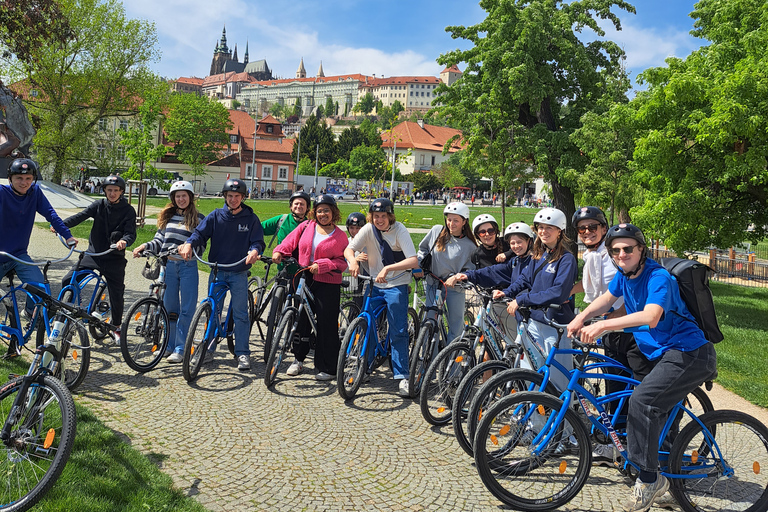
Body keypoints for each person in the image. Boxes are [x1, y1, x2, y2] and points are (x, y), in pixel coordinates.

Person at [568, 224, 717, 512]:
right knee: (661, 420)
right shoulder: (626, 276)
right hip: (662, 354)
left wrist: (601, 325)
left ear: (641, 250)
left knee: (643, 401)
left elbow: (650, 316)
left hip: (689, 353)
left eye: (628, 249)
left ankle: (648, 479)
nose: (622, 254)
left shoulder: (657, 277)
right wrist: (582, 316)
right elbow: (608, 299)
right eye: (616, 250)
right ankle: (673, 484)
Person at [569, 206, 656, 466]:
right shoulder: (596, 256)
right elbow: (601, 293)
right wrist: (580, 314)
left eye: (592, 227)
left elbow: (631, 300)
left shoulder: (615, 257)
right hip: (609, 328)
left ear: (604, 229)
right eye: (582, 229)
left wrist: (610, 320)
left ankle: (648, 450)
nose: (586, 232)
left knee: (637, 390)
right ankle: (616, 442)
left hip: (632, 333)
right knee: (615, 386)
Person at [178, 178, 264, 372]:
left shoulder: (250, 219)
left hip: (238, 272)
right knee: (212, 311)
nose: (233, 199)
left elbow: (257, 241)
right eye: (230, 196)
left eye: (237, 196)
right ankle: (208, 350)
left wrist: (254, 251)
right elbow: (199, 233)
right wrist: (190, 243)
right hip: (217, 271)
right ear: (224, 196)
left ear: (243, 197)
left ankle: (242, 352)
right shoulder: (216, 216)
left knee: (241, 314)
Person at [496, 207, 578, 393]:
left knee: (558, 380)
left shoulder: (566, 259)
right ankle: (535, 421)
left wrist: (523, 299)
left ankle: (563, 421)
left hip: (555, 324)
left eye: (549, 227)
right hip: (534, 321)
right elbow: (525, 279)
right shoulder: (539, 254)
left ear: (560, 231)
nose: (543, 232)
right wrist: (507, 292)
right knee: (529, 373)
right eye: (540, 227)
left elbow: (557, 293)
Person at [1, 158, 76, 355]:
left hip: (17, 255)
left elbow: (51, 214)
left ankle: (29, 314)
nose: (24, 182)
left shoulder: (35, 193)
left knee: (40, 288)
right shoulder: (1, 193)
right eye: (19, 178)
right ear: (10, 178)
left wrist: (67, 236)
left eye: (28, 178)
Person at [344, 198, 419, 397]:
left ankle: (402, 375)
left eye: (383, 216)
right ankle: (363, 366)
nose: (379, 220)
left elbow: (413, 259)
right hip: (373, 282)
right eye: (376, 216)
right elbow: (349, 248)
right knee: (366, 322)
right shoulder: (368, 229)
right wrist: (352, 261)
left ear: (390, 216)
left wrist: (388, 268)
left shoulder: (400, 230)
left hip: (397, 283)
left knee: (398, 330)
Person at [272, 194, 348, 380]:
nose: (323, 214)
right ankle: (298, 359)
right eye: (320, 210)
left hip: (328, 282)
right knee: (301, 320)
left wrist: (323, 265)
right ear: (314, 212)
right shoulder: (306, 226)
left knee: (326, 323)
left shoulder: (340, 236)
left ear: (334, 212)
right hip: (304, 276)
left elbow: (342, 262)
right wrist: (279, 252)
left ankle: (328, 367)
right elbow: (289, 242)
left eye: (327, 210)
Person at [132, 181, 204, 363]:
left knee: (186, 309)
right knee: (170, 309)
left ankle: (181, 348)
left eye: (184, 195)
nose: (181, 199)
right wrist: (145, 246)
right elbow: (159, 241)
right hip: (169, 267)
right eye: (177, 196)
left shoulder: (198, 219)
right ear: (173, 198)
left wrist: (189, 248)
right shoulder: (168, 218)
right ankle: (168, 345)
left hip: (188, 267)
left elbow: (201, 245)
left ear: (190, 197)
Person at [61, 175, 136, 342]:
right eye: (109, 190)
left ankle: (117, 326)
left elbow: (131, 233)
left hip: (114, 258)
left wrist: (124, 241)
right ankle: (70, 310)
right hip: (93, 255)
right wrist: (61, 225)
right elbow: (81, 216)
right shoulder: (99, 205)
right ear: (104, 191)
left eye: (116, 191)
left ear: (121, 192)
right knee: (68, 280)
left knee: (116, 293)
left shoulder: (128, 210)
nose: (112, 193)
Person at [417, 202, 477, 347]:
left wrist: (457, 277)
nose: (451, 223)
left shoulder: (470, 246)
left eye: (456, 220)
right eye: (449, 219)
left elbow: (470, 270)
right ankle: (429, 363)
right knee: (429, 322)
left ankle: (452, 365)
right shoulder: (437, 231)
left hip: (454, 289)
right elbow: (422, 250)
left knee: (456, 327)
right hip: (434, 284)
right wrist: (419, 265)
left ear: (464, 222)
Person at [261, 190, 311, 277]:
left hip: (302, 270)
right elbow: (259, 229)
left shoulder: (311, 225)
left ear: (307, 208)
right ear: (291, 206)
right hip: (283, 268)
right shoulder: (282, 220)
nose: (299, 206)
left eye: (302, 204)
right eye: (296, 204)